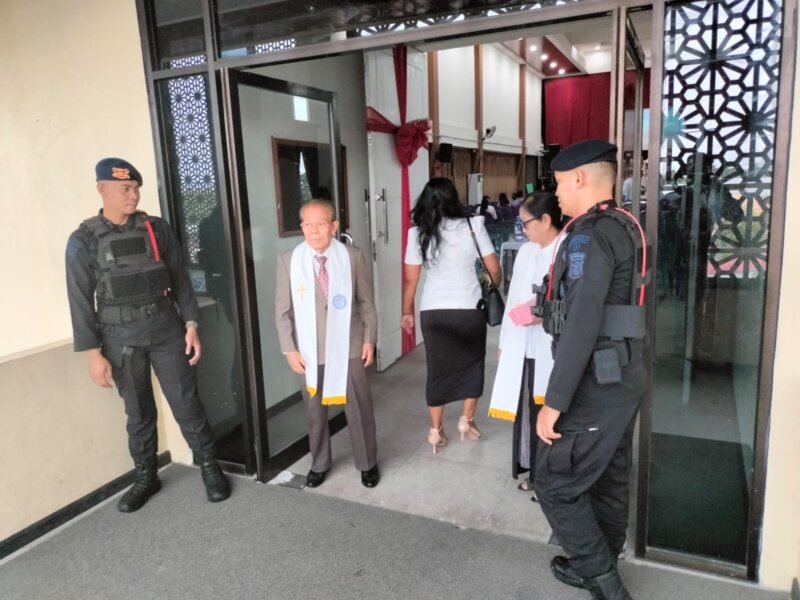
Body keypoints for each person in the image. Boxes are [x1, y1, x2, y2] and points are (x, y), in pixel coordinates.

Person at [65, 158, 230, 513]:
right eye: (125, 189)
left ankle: (209, 467)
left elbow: (180, 279)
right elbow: (79, 301)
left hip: (166, 331)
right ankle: (146, 476)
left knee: (187, 402)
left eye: (136, 188)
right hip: (120, 339)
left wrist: (191, 325)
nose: (133, 195)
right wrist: (93, 354)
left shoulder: (157, 229)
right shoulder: (84, 241)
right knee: (138, 411)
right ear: (101, 189)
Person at [532, 140, 648, 599]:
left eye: (560, 183)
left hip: (597, 381)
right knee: (609, 477)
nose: (557, 193)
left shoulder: (589, 237)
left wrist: (554, 402)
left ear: (579, 178)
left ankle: (605, 583)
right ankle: (600, 563)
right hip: (622, 373)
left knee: (554, 482)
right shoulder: (621, 225)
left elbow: (581, 322)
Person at [275, 200, 380, 489]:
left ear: (334, 226)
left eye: (320, 223)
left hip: (349, 346)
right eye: (307, 224)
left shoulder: (352, 256)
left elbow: (366, 303)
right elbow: (282, 311)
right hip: (308, 351)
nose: (313, 230)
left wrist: (369, 338)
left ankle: (367, 463)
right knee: (314, 411)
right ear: (301, 228)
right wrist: (289, 348)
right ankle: (319, 463)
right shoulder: (288, 260)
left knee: (358, 408)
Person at [401, 178, 502, 452]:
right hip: (469, 308)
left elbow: (410, 280)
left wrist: (406, 312)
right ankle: (466, 421)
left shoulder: (417, 233)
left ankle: (436, 431)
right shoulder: (473, 225)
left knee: (437, 370)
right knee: (473, 365)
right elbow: (494, 269)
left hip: (433, 312)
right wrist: (491, 286)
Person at [489, 192, 565, 500]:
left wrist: (545, 314)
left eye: (527, 223)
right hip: (523, 345)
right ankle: (534, 473)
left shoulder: (566, 250)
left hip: (551, 348)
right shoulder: (525, 252)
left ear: (546, 220)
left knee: (551, 415)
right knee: (529, 413)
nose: (523, 230)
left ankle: (550, 480)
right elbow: (513, 300)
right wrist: (504, 342)